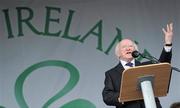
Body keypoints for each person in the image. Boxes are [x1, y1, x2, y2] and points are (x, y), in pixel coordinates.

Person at [102, 23, 173, 108]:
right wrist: (125, 95)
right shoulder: (111, 74)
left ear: (136, 51)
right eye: (124, 47)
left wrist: (168, 43)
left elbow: (163, 64)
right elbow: (107, 96)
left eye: (131, 46)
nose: (128, 48)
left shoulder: (146, 67)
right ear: (118, 53)